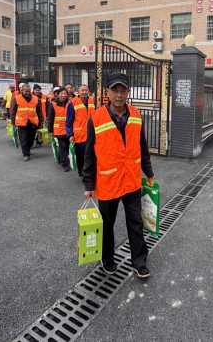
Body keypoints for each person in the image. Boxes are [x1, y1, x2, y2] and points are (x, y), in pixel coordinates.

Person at [83, 72, 155, 279]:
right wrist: (89, 184)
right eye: (115, 90)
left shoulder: (136, 114)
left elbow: (142, 146)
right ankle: (107, 259)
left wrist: (148, 171)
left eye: (123, 90)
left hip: (131, 180)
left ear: (128, 92)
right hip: (108, 182)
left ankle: (139, 262)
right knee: (107, 224)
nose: (119, 95)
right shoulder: (95, 118)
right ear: (107, 92)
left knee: (136, 222)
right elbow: (89, 154)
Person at [66, 84, 95, 178]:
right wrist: (70, 134)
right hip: (79, 134)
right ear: (78, 92)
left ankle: (89, 171)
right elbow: (69, 120)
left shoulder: (91, 101)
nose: (84, 92)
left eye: (86, 90)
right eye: (82, 90)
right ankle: (81, 172)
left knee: (90, 154)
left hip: (91, 133)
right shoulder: (73, 102)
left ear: (89, 92)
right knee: (80, 155)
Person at [10, 84, 44, 161]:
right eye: (26, 91)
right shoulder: (16, 98)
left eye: (29, 91)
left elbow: (39, 110)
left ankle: (28, 148)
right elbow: (13, 111)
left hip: (32, 122)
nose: (28, 93)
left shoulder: (35, 98)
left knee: (31, 138)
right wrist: (13, 122)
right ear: (22, 90)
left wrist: (41, 120)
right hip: (21, 122)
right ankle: (25, 154)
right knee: (23, 138)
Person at [47, 88, 71, 171]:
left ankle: (61, 158)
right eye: (61, 93)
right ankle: (65, 164)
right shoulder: (53, 103)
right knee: (63, 146)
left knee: (66, 146)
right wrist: (50, 130)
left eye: (65, 93)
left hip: (68, 129)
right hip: (58, 129)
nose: (63, 95)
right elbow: (50, 118)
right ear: (58, 94)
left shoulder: (70, 103)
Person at [32, 84, 48, 148]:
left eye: (39, 90)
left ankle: (39, 142)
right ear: (33, 90)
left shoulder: (44, 96)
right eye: (36, 90)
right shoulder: (30, 96)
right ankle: (31, 143)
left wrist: (47, 115)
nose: (37, 91)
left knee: (39, 130)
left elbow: (47, 106)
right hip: (32, 117)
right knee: (32, 131)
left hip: (41, 116)